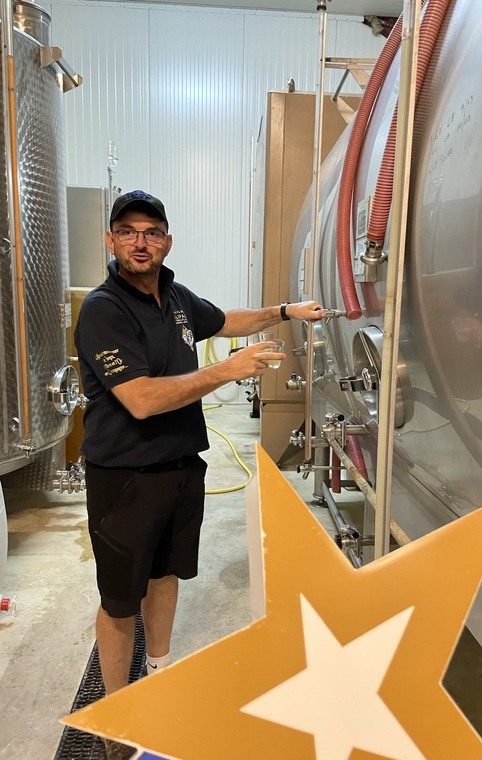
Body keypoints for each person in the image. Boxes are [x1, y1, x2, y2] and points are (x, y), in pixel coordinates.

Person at [74, 190, 325, 757]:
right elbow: (138, 398)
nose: (141, 242)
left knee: (166, 578)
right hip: (125, 478)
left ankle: (158, 676)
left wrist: (285, 313)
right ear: (111, 241)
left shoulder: (177, 297)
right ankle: (119, 719)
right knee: (119, 601)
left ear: (167, 240)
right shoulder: (103, 309)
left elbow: (223, 320)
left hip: (183, 467)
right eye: (129, 231)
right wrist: (229, 370)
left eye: (152, 231)